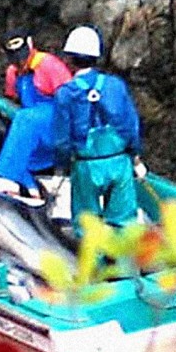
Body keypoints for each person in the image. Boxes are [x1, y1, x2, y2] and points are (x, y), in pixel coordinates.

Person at [52, 25, 146, 234]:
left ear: (68, 59)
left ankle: (93, 264)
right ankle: (124, 265)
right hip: (119, 163)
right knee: (124, 223)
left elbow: (61, 140)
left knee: (88, 225)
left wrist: (60, 169)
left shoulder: (65, 94)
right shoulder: (115, 85)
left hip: (87, 168)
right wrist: (137, 159)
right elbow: (132, 125)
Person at [0, 29, 72, 197]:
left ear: (30, 44)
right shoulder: (12, 73)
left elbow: (71, 102)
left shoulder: (49, 65)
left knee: (25, 118)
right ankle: (32, 191)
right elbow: (14, 101)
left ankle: (5, 179)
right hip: (36, 134)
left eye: (22, 54)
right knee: (16, 153)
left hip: (57, 126)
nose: (20, 60)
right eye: (14, 57)